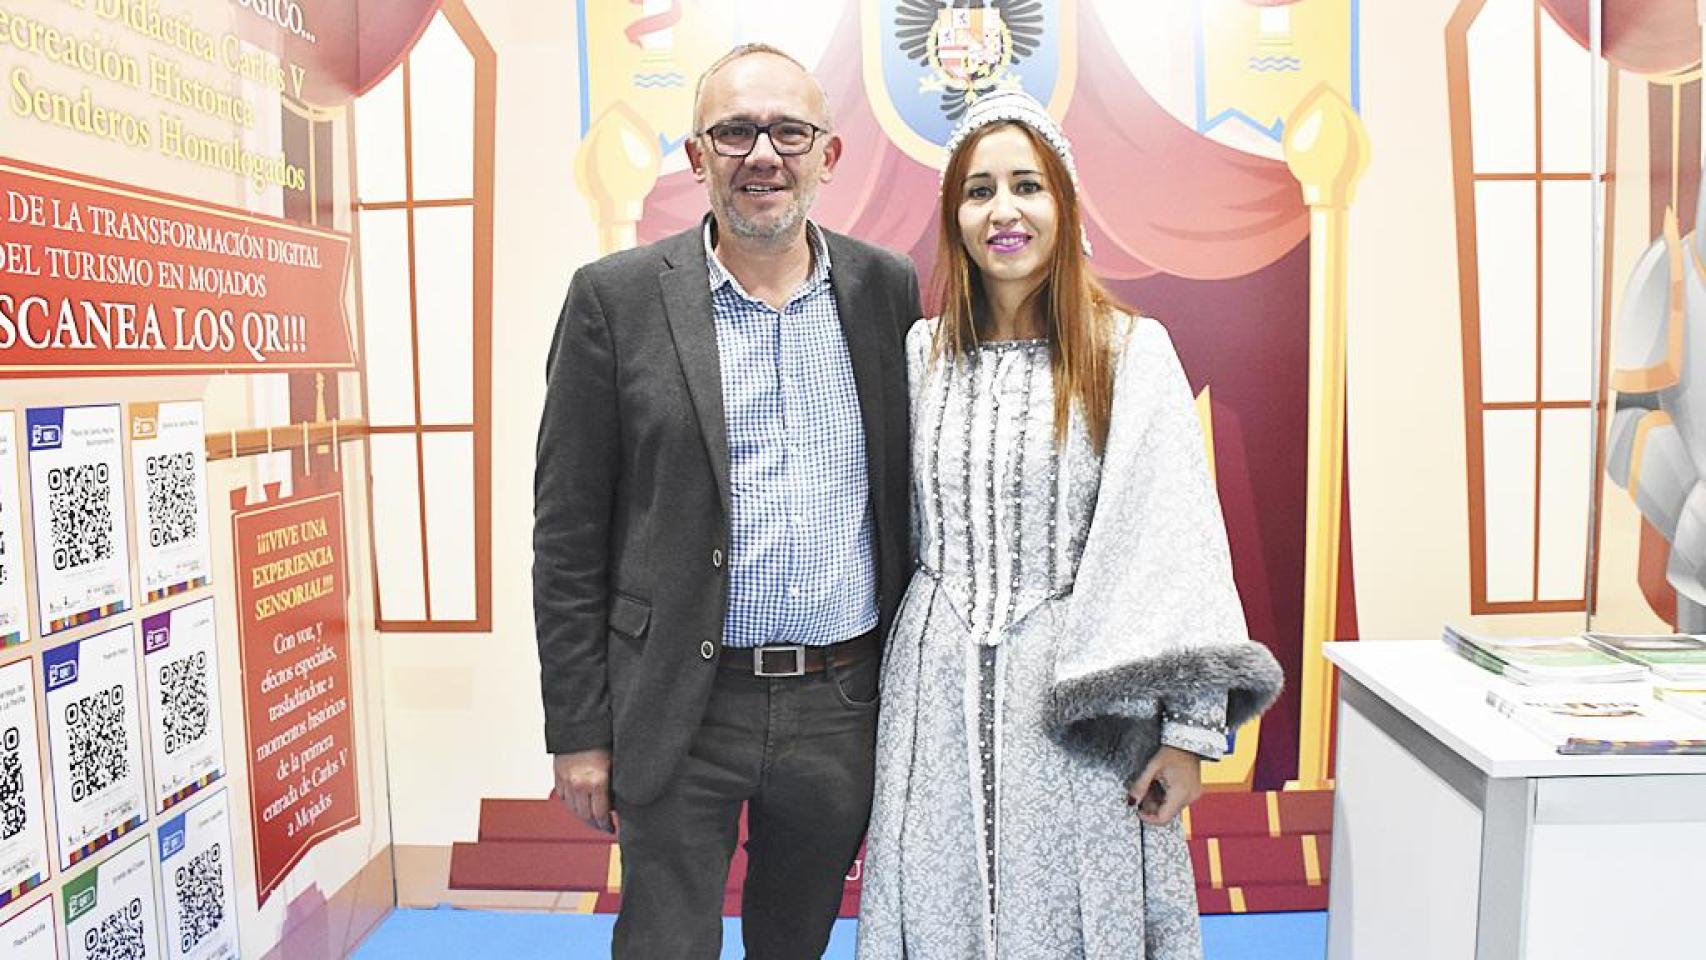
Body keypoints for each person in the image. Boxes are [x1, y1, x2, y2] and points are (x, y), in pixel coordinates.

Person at [855, 90, 1285, 959]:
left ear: (1065, 204)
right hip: (931, 699)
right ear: (955, 216)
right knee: (939, 911)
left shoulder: (1130, 351)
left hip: (1079, 702)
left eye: (1028, 185)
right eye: (979, 191)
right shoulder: (918, 355)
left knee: (1072, 921)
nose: (1003, 211)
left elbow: (1176, 540)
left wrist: (1187, 734)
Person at [533, 43, 920, 959]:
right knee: (665, 943)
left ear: (828, 156)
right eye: (735, 131)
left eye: (789, 130)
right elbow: (567, 534)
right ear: (696, 154)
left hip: (840, 698)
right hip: (679, 697)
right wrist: (578, 731)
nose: (762, 154)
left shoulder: (885, 291)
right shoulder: (613, 300)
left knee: (796, 941)